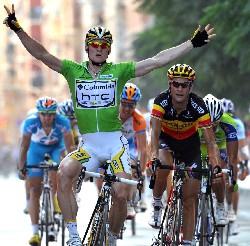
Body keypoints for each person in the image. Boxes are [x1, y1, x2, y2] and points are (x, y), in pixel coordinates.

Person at [3, 4, 216, 246]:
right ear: (87, 47)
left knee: (121, 192)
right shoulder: (73, 71)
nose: (99, 49)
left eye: (104, 46)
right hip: (89, 146)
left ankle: (112, 238)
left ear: (108, 50)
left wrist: (191, 43)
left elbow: (157, 61)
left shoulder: (118, 71)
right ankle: (73, 237)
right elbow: (41, 54)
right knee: (64, 173)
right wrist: (18, 29)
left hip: (115, 145)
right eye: (94, 44)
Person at [147, 64, 223, 245]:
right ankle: (157, 203)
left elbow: (211, 142)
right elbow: (154, 135)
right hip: (167, 141)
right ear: (170, 85)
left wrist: (216, 165)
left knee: (190, 198)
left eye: (184, 85)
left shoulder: (198, 105)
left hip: (190, 146)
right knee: (163, 163)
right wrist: (153, 158)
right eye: (176, 84)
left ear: (190, 87)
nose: (180, 88)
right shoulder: (161, 101)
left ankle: (188, 241)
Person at [18, 96, 76, 246]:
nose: (46, 117)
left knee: (55, 177)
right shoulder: (31, 122)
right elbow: (24, 146)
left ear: (55, 114)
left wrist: (73, 166)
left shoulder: (62, 122)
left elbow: (70, 148)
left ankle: (55, 208)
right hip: (36, 151)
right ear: (38, 113)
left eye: (50, 114)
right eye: (43, 113)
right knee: (34, 189)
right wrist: (22, 166)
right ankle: (35, 232)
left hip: (56, 149)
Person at [200, 94, 239, 225]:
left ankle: (220, 206)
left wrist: (233, 178)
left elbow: (233, 157)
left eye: (214, 124)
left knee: (218, 173)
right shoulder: (194, 120)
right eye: (207, 124)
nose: (210, 128)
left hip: (220, 145)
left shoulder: (228, 123)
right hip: (200, 145)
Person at [221, 97, 249, 235]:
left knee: (233, 182)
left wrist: (244, 163)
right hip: (218, 151)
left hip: (232, 154)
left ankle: (232, 216)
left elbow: (242, 147)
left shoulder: (237, 123)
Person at [119, 82, 148, 217]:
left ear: (136, 105)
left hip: (128, 145)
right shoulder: (111, 113)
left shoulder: (139, 119)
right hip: (110, 142)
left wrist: (140, 170)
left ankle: (129, 202)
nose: (126, 108)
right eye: (124, 103)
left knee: (131, 167)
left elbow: (142, 149)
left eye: (131, 105)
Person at [19, 108, 38, 215]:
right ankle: (28, 202)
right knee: (29, 177)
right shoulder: (25, 125)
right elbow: (22, 144)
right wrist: (21, 164)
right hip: (31, 149)